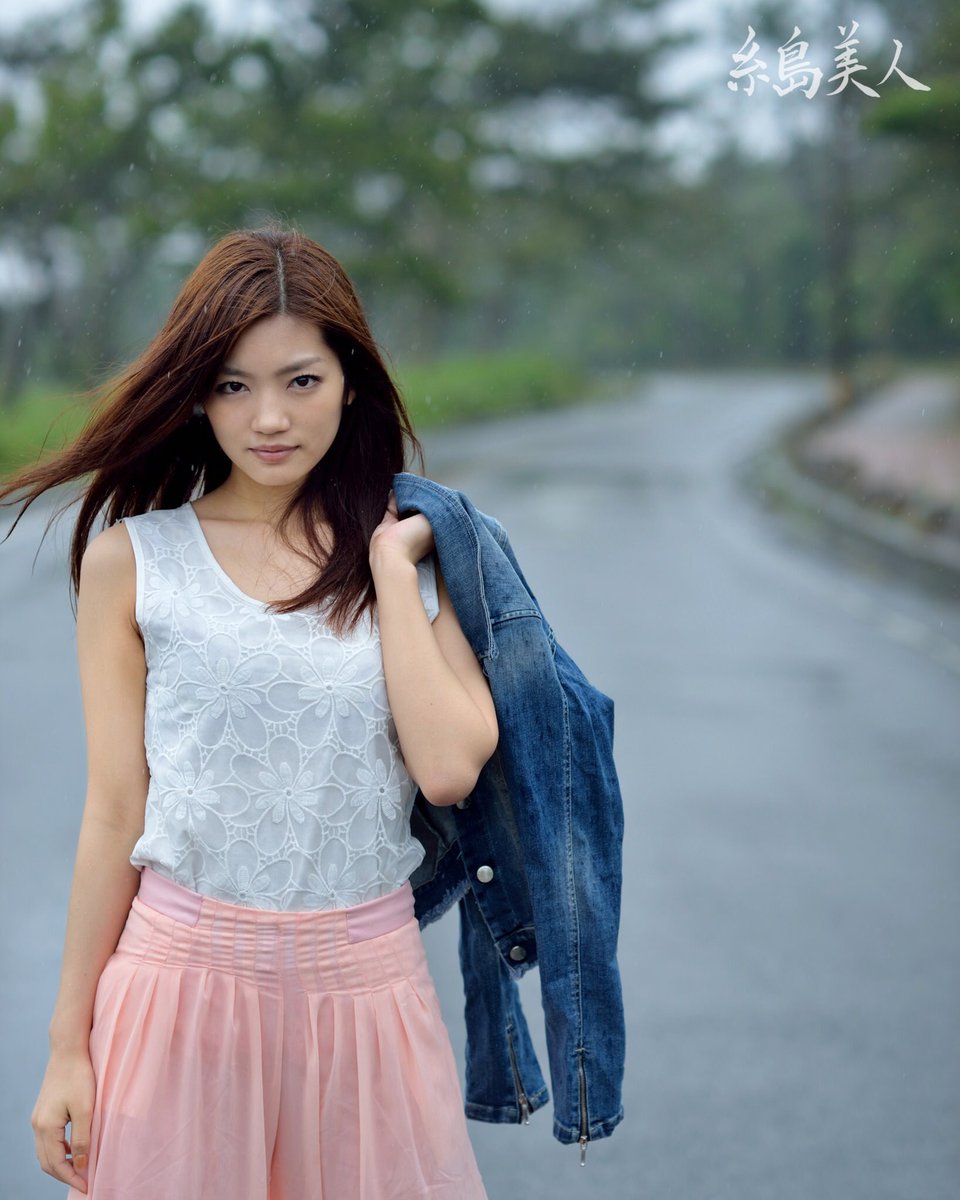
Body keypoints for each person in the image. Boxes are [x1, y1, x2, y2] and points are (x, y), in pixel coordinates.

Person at [3, 225, 496, 1198]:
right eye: (233, 385)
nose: (268, 417)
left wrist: (390, 568)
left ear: (350, 381)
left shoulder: (415, 547)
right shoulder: (135, 562)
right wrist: (69, 1046)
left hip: (367, 996)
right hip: (178, 991)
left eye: (300, 381)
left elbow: (447, 767)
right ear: (197, 393)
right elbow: (113, 813)